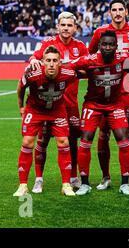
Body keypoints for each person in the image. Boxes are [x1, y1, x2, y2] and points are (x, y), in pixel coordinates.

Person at [89, 0, 129, 191]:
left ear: (126, 12)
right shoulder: (100, 33)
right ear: (109, 13)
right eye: (114, 10)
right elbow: (91, 57)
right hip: (106, 92)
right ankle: (105, 177)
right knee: (103, 134)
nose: (117, 13)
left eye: (121, 9)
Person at [28, 12, 88, 193]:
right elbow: (34, 58)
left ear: (75, 28)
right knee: (43, 140)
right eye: (63, 25)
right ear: (58, 27)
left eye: (70, 25)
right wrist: (34, 63)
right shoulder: (48, 44)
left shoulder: (80, 47)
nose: (66, 28)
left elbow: (89, 67)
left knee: (71, 141)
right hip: (49, 102)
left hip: (70, 104)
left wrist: (75, 72)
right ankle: (39, 179)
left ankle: (73, 176)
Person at [68, 31, 129, 195]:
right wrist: (81, 74)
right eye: (104, 44)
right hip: (93, 105)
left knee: (123, 138)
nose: (107, 47)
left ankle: (125, 183)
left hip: (115, 105)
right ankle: (84, 183)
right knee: (86, 139)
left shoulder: (124, 58)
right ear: (99, 46)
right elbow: (67, 67)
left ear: (116, 46)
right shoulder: (89, 60)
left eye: (111, 44)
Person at [13, 45, 77, 197]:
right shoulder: (32, 73)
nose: (52, 64)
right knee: (27, 142)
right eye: (48, 60)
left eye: (55, 60)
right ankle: (23, 185)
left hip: (57, 110)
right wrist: (21, 107)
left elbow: (83, 73)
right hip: (35, 110)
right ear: (42, 62)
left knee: (63, 142)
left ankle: (66, 184)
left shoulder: (68, 73)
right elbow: (20, 88)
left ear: (60, 62)